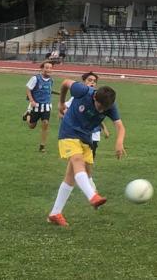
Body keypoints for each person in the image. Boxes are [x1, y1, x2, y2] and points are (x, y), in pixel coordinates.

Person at [46, 81, 126, 227]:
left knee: (73, 176)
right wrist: (61, 102)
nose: (102, 111)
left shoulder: (109, 106)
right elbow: (65, 83)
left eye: (105, 109)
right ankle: (92, 196)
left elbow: (120, 126)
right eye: (100, 107)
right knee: (77, 161)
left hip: (86, 138)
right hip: (68, 131)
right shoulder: (82, 91)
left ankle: (55, 213)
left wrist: (119, 142)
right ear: (95, 97)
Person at [25, 61, 54, 153]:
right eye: (46, 67)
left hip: (46, 106)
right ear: (42, 68)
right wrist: (32, 101)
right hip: (36, 106)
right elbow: (28, 89)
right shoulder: (35, 78)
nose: (48, 70)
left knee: (45, 123)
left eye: (50, 68)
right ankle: (28, 115)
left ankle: (42, 146)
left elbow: (49, 92)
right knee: (31, 126)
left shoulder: (51, 80)